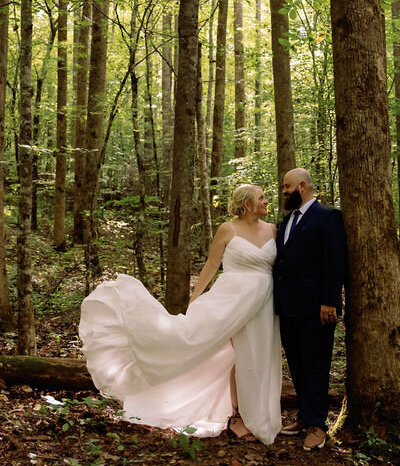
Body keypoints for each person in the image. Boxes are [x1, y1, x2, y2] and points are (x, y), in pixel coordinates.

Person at [78, 184, 282, 444]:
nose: (266, 201)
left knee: (260, 357)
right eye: (261, 197)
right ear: (247, 204)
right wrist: (195, 298)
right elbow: (211, 264)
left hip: (264, 303)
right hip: (231, 301)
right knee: (237, 355)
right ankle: (238, 417)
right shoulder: (227, 229)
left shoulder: (273, 230)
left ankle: (260, 415)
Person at [273, 168, 348, 451]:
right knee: (296, 364)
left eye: (286, 187)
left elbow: (335, 261)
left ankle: (317, 425)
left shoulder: (328, 217)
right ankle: (304, 417)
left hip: (317, 308)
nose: (283, 192)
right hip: (287, 306)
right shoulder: (287, 219)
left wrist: (330, 300)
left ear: (302, 186)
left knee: (315, 364)